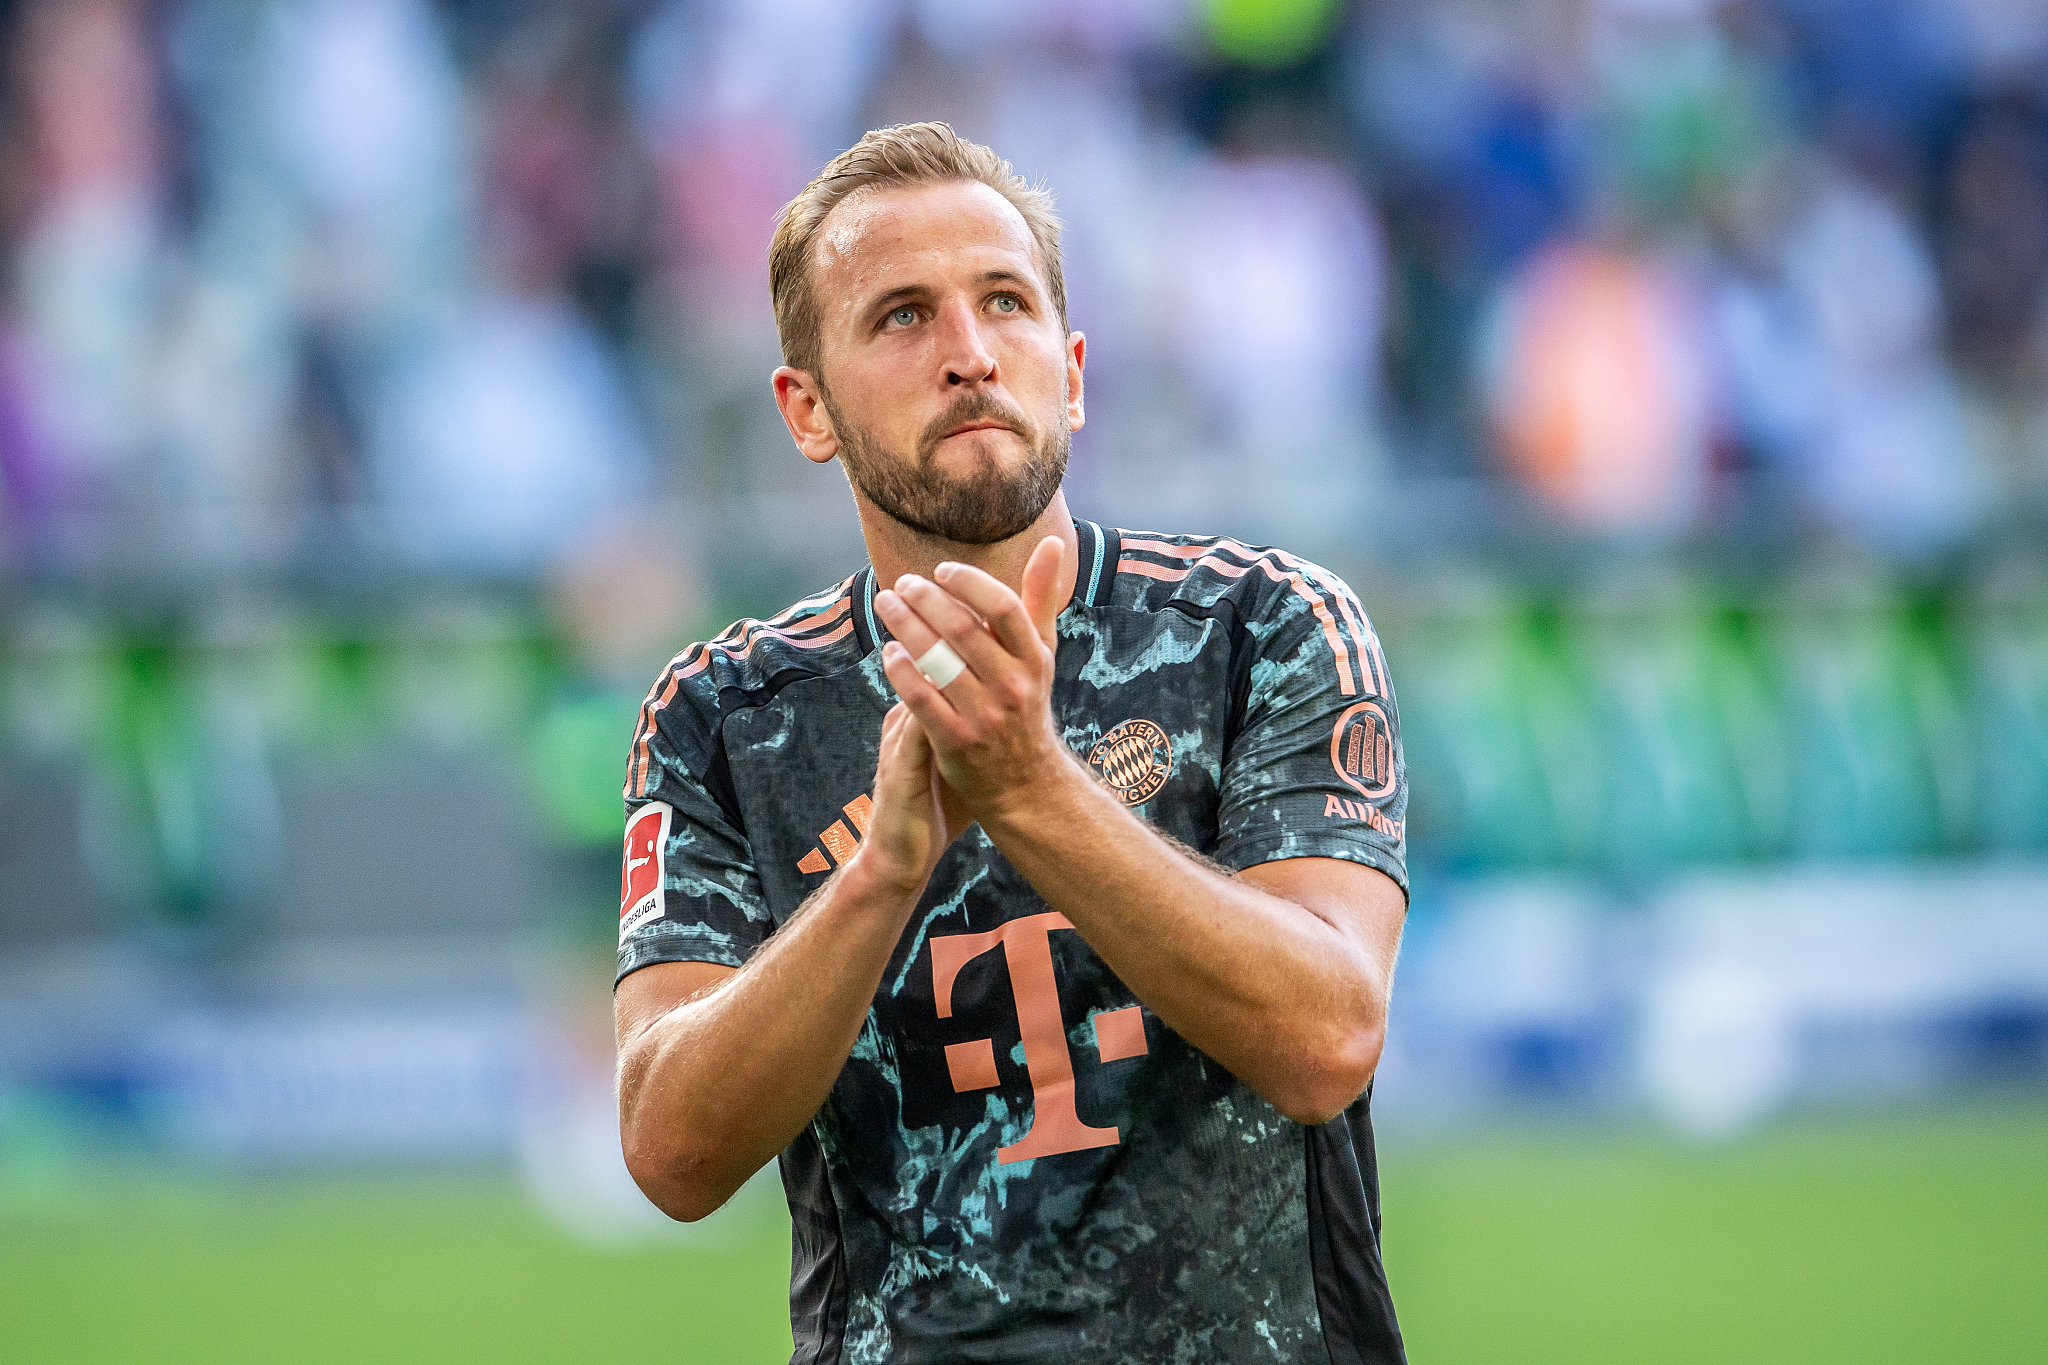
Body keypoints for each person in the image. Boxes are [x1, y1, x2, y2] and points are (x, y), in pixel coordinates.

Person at [614, 122, 1410, 1364]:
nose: (970, 355)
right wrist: (883, 870)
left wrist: (1031, 788)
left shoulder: (1263, 624)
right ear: (805, 410)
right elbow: (669, 1149)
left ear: (1075, 372)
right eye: (901, 318)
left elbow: (1326, 1039)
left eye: (1004, 303)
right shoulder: (725, 715)